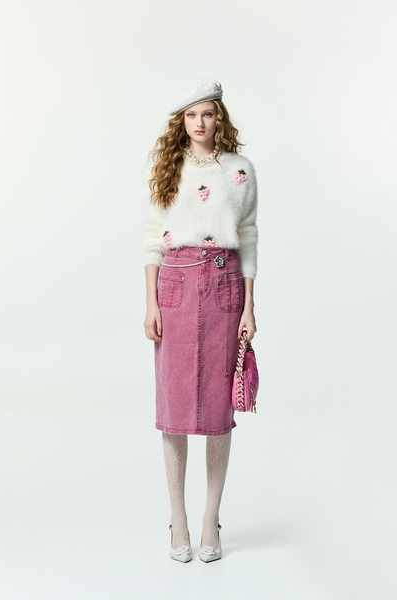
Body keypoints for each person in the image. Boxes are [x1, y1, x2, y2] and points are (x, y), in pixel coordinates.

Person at [143, 78, 258, 563]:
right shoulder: (168, 167)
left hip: (225, 285)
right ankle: (179, 518)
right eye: (191, 115)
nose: (200, 122)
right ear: (181, 121)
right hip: (174, 285)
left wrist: (250, 305)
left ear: (219, 118)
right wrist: (150, 302)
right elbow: (152, 236)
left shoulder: (240, 170)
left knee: (216, 408)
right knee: (172, 405)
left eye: (207, 113)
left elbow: (248, 235)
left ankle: (211, 518)